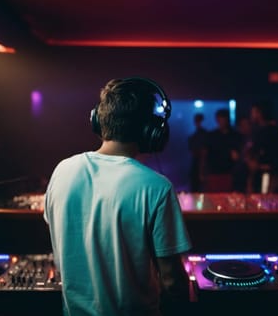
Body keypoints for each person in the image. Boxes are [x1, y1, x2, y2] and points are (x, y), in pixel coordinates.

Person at [44, 77, 192, 316]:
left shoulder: (62, 171)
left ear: (98, 120)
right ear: (150, 131)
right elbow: (173, 281)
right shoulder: (156, 187)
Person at [247, 101, 278, 193]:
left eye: (253, 112)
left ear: (259, 113)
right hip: (256, 175)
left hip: (270, 175)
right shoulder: (256, 131)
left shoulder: (274, 132)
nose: (251, 115)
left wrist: (262, 165)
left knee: (267, 202)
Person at [204, 108, 241, 192]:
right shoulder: (212, 136)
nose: (222, 122)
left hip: (230, 173)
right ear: (217, 120)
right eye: (220, 119)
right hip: (214, 172)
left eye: (224, 119)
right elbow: (206, 154)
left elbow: (238, 155)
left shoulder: (235, 136)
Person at [187, 113, 207, 192]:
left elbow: (204, 152)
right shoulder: (193, 137)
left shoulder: (205, 135)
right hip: (196, 166)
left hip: (204, 166)